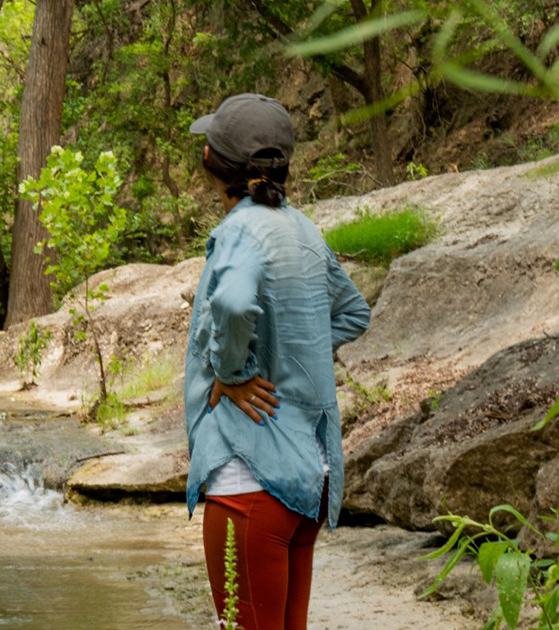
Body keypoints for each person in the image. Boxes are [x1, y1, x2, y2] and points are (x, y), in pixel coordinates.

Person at [182, 93, 371, 630]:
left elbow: (235, 303)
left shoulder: (240, 230)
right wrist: (295, 343)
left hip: (249, 477)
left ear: (212, 163)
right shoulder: (303, 229)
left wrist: (232, 372)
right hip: (307, 480)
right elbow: (355, 313)